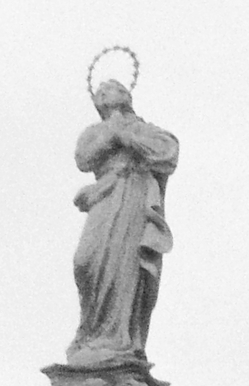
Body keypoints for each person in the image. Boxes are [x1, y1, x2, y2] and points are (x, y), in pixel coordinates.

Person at [66, 80, 178, 367]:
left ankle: (118, 340)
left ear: (127, 95)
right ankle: (92, 334)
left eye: (111, 88)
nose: (103, 92)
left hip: (133, 199)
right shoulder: (93, 132)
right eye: (99, 91)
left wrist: (125, 135)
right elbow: (84, 158)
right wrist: (113, 133)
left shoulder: (144, 128)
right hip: (105, 197)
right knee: (85, 262)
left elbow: (168, 153)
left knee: (124, 264)